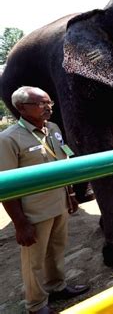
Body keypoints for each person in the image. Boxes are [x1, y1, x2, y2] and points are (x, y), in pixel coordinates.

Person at [0, 86, 89, 314]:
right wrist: (20, 223)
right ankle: (36, 305)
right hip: (34, 213)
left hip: (58, 204)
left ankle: (57, 287)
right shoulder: (9, 139)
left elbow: (60, 165)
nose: (48, 108)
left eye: (50, 103)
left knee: (57, 250)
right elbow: (6, 186)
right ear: (21, 108)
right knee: (34, 262)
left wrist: (70, 194)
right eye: (41, 104)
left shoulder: (53, 129)